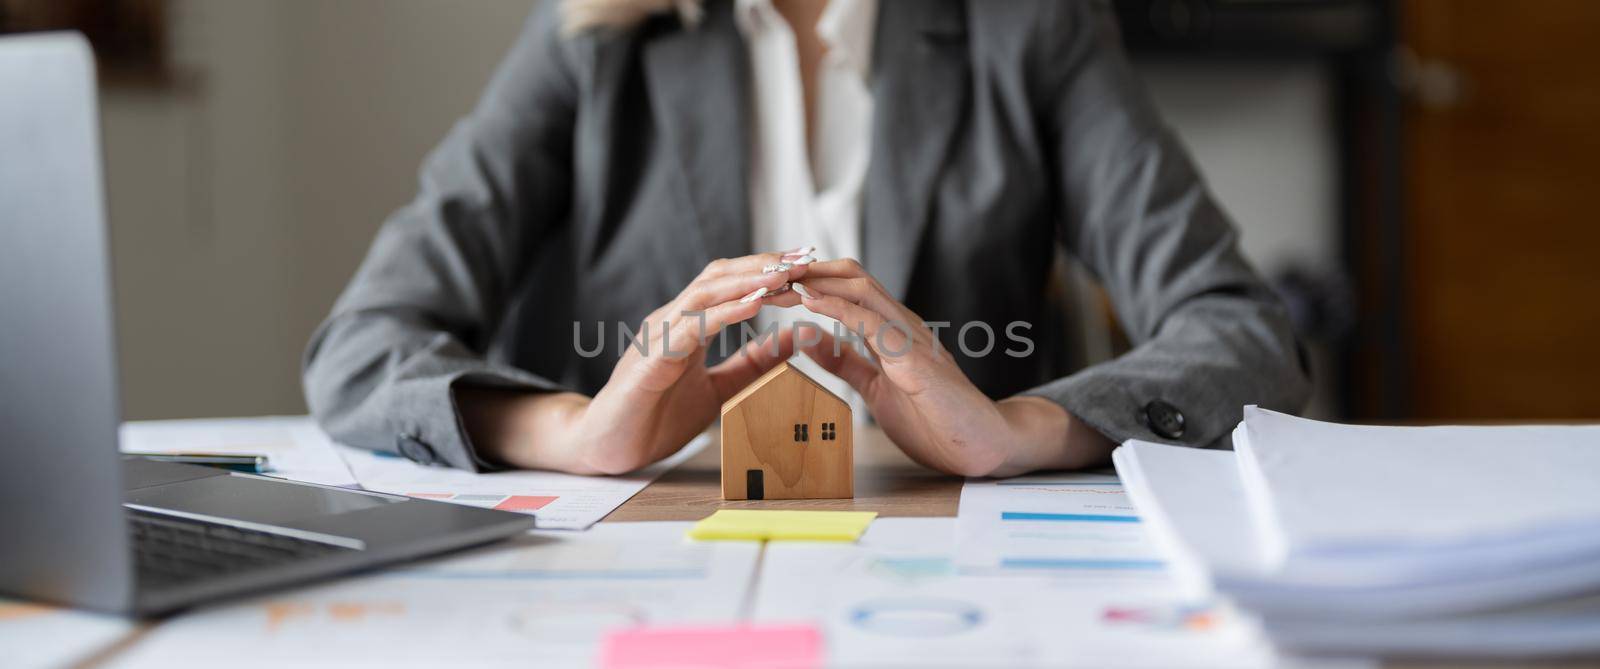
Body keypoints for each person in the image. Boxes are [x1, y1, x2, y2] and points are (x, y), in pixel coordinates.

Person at [302, 0, 1310, 478]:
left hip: (945, 555)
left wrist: (1019, 431)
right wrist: (564, 427)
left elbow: (1242, 329)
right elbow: (362, 344)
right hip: (659, 544)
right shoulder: (593, 36)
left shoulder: (1028, 27)